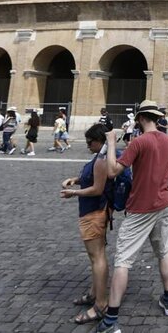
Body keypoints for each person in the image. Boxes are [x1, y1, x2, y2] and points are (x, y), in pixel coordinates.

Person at [97, 100, 168, 332]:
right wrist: (159, 170)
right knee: (164, 251)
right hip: (164, 204)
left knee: (123, 260)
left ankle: (111, 319)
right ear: (156, 117)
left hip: (140, 208)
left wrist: (112, 142)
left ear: (142, 118)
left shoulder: (138, 143)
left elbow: (113, 171)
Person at [60, 123, 111, 325]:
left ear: (99, 141)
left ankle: (100, 304)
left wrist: (73, 193)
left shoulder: (102, 159)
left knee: (97, 257)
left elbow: (97, 188)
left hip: (94, 213)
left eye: (90, 142)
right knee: (95, 257)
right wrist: (76, 179)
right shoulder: (101, 156)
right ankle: (94, 293)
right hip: (95, 211)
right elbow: (92, 179)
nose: (88, 145)